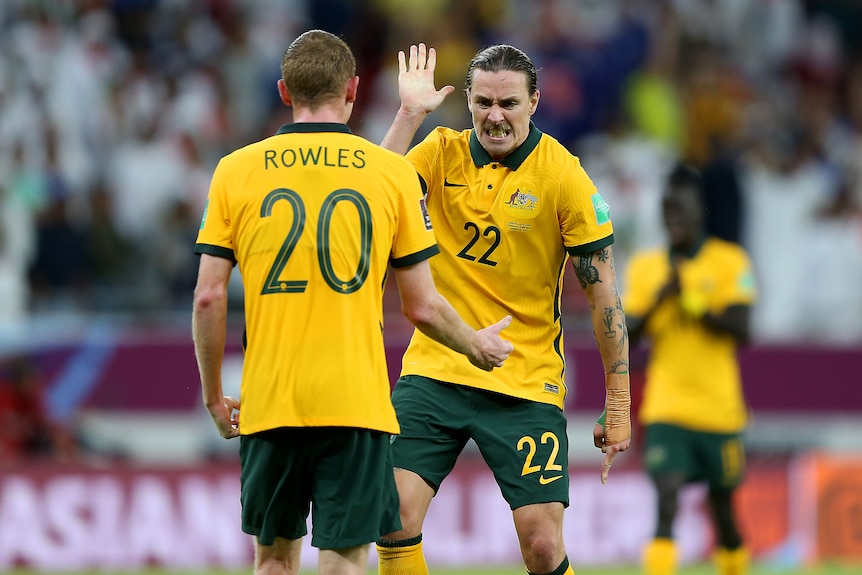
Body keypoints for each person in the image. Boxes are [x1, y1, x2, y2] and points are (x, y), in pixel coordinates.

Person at [191, 30, 514, 575]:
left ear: (283, 91)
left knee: (272, 563)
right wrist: (475, 345)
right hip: (357, 403)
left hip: (270, 401)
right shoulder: (391, 175)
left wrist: (214, 397)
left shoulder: (234, 171)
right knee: (344, 565)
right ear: (354, 90)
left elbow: (207, 297)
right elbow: (423, 308)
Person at [375, 44, 632, 575]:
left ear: (534, 102)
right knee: (393, 515)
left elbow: (603, 295)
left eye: (509, 103)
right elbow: (368, 196)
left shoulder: (563, 176)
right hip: (436, 368)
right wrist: (408, 115)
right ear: (467, 100)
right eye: (483, 102)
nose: (495, 116)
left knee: (541, 544)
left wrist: (620, 399)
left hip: (524, 377)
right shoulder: (438, 152)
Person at [623, 164, 756, 575]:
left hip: (719, 409)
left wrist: (691, 302)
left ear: (700, 212)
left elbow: (742, 329)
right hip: (668, 406)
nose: (672, 221)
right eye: (667, 214)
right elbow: (625, 334)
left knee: (724, 512)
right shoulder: (647, 267)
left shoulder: (729, 260)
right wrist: (661, 301)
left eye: (679, 212)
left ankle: (733, 565)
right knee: (666, 499)